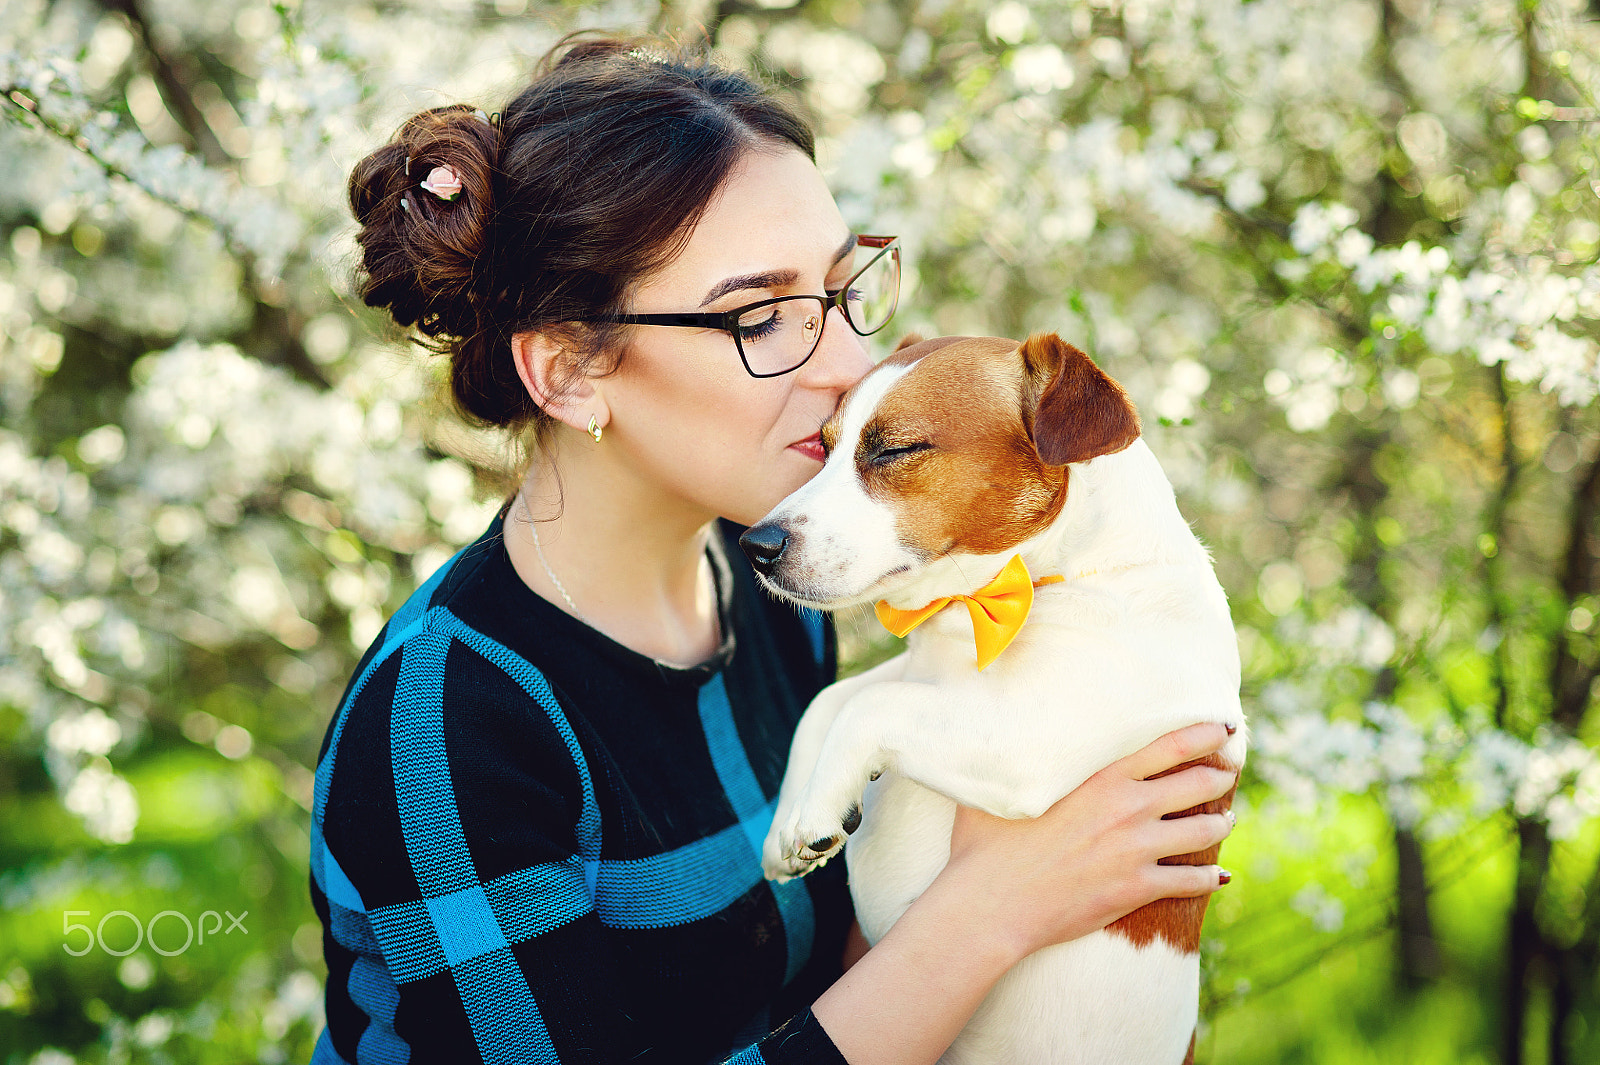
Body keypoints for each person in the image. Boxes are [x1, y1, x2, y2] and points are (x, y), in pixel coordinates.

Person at [310, 33, 1238, 1065]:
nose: (846, 362)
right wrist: (991, 913)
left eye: (842, 292)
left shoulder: (773, 589)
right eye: (759, 315)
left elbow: (835, 978)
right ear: (570, 373)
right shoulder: (449, 725)